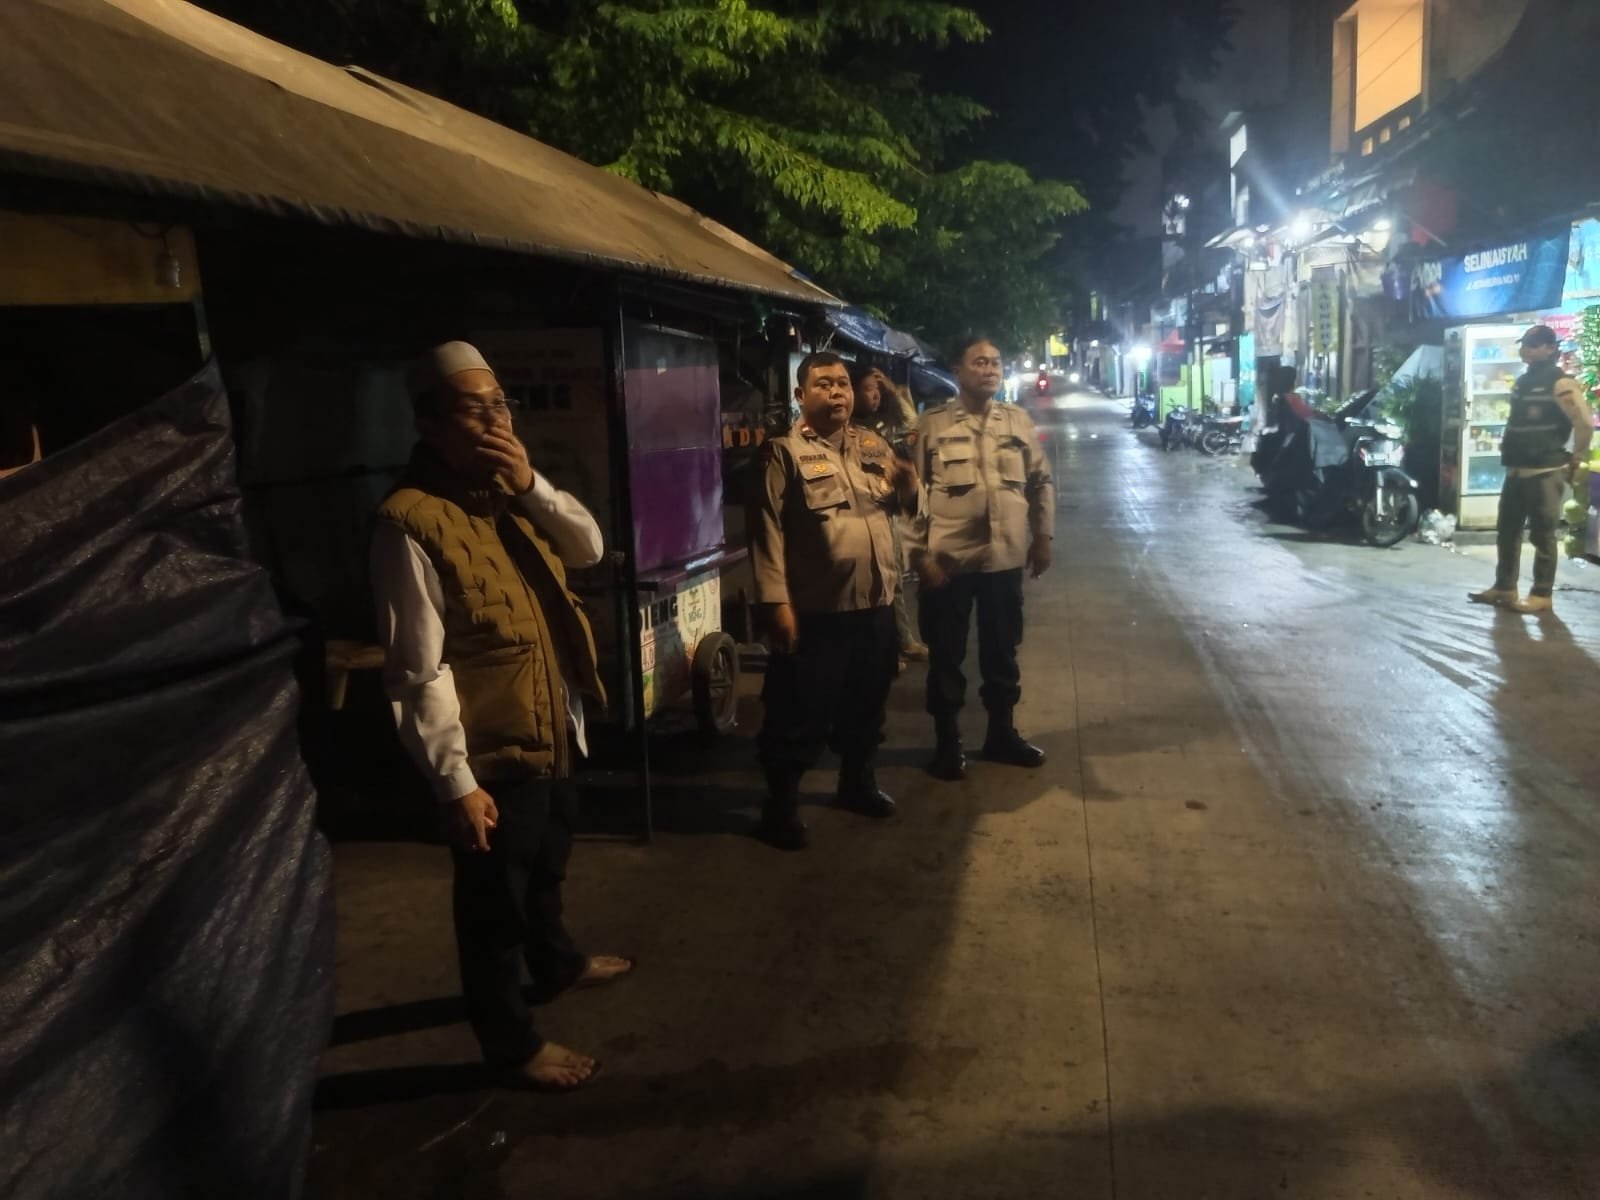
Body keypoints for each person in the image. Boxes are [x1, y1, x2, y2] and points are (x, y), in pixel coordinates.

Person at [369, 341, 632, 1092]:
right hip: (492, 752)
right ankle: (510, 1043)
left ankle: (559, 964)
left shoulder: (510, 497)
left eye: (501, 405)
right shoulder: (408, 522)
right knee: (493, 908)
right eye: (474, 408)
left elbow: (588, 547)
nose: (496, 421)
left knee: (547, 867)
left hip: (555, 729)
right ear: (430, 423)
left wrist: (529, 482)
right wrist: (455, 783)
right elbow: (417, 669)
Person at [752, 351, 920, 850]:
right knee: (798, 713)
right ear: (800, 395)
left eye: (843, 383)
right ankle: (780, 807)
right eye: (823, 384)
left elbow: (902, 508)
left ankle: (856, 783)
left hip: (875, 606)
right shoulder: (782, 453)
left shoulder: (872, 445)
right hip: (815, 613)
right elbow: (765, 532)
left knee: (867, 706)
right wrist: (776, 605)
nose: (837, 392)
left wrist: (909, 488)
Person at [905, 335, 1055, 781]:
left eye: (995, 362)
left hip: (1003, 561)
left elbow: (1041, 482)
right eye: (980, 362)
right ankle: (947, 743)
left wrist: (1043, 536)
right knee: (946, 655)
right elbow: (910, 495)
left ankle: (1001, 734)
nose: (990, 369)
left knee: (1002, 651)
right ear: (958, 371)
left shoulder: (1018, 421)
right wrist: (918, 555)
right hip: (947, 564)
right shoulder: (931, 425)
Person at [1468, 324, 1594, 614]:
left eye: (1534, 345)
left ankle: (1541, 594)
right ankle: (1505, 587)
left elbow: (1584, 423)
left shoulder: (1562, 383)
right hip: (1516, 469)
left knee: (1542, 534)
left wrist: (1577, 457)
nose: (1526, 349)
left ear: (1550, 349)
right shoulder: (1523, 382)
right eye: (1525, 344)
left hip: (1545, 471)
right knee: (1507, 531)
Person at [850, 364, 930, 666]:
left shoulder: (882, 426)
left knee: (892, 578)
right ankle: (888, 649)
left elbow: (913, 427)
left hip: (886, 514)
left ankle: (901, 642)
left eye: (877, 390)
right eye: (868, 389)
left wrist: (893, 393)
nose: (875, 395)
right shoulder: (845, 429)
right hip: (856, 520)